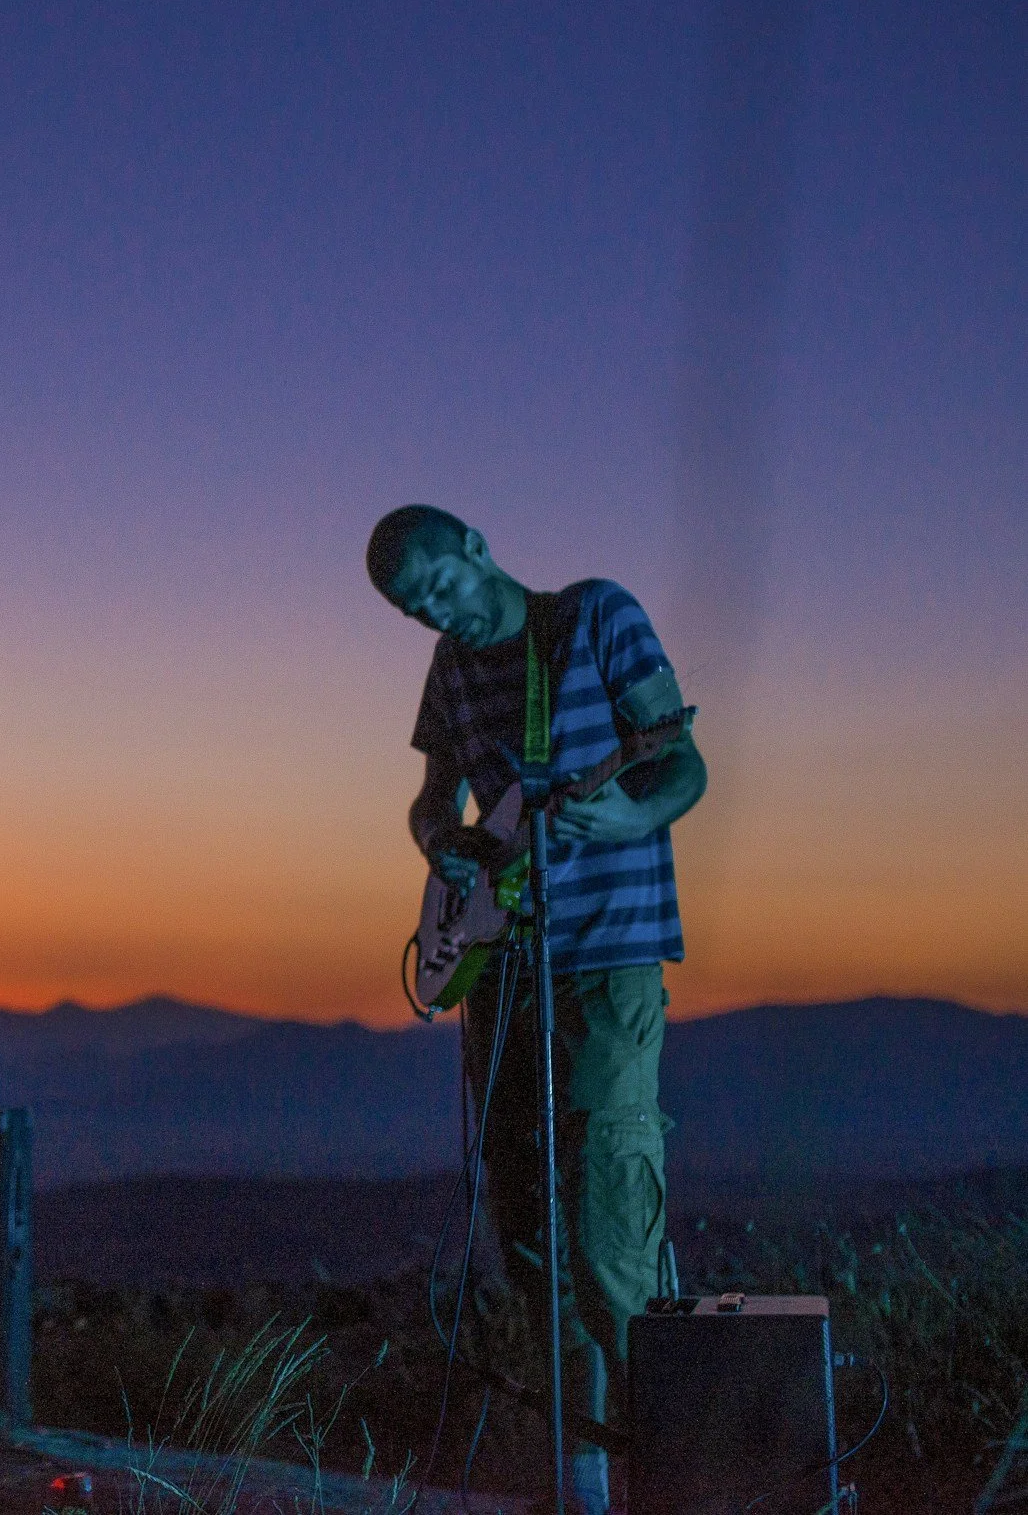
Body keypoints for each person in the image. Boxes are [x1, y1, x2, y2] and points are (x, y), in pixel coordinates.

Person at [367, 506, 707, 1514]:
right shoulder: (449, 667)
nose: (435, 613)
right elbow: (433, 798)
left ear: (476, 547)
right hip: (504, 966)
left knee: (608, 1230)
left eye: (440, 587)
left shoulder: (595, 617)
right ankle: (583, 1484)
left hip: (606, 961)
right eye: (411, 607)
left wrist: (633, 811)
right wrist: (444, 842)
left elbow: (680, 761)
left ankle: (672, 1478)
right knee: (528, 1238)